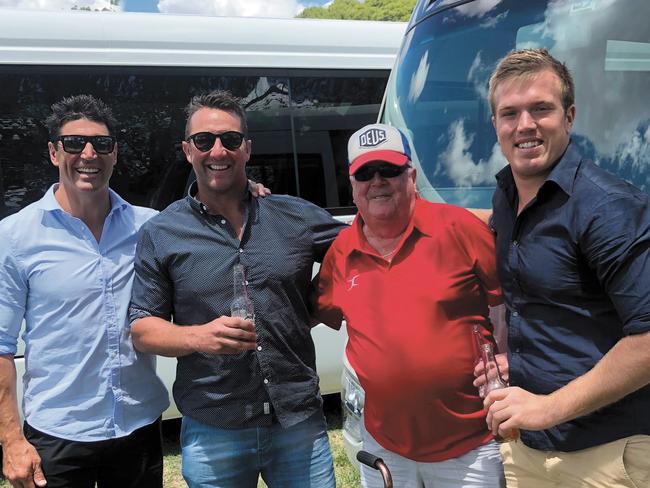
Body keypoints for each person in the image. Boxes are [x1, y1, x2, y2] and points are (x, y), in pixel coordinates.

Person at [128, 89, 344, 488]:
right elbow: (141, 328)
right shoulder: (161, 232)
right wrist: (199, 337)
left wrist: (319, 304)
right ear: (187, 150)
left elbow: (362, 250)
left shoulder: (294, 215)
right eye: (204, 140)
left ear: (246, 149)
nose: (217, 150)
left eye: (229, 140)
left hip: (297, 420)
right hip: (214, 426)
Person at [484, 48, 650, 487]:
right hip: (529, 449)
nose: (525, 125)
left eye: (541, 108)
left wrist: (545, 408)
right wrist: (512, 357)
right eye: (509, 113)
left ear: (570, 116)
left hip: (606, 455)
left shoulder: (608, 207)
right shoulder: (504, 200)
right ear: (495, 125)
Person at [316, 123, 505, 487]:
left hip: (470, 445)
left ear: (411, 175)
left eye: (389, 170)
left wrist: (509, 356)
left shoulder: (459, 228)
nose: (378, 181)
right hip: (384, 447)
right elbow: (308, 312)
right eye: (365, 173)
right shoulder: (341, 252)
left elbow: (512, 298)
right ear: (352, 185)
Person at [0, 95, 169, 488]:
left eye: (102, 144)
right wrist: (11, 441)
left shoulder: (150, 228)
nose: (88, 154)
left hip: (137, 426)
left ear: (115, 155)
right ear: (54, 152)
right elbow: (2, 347)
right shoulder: (15, 236)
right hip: (57, 433)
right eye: (74, 143)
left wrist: (248, 192)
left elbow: (208, 221)